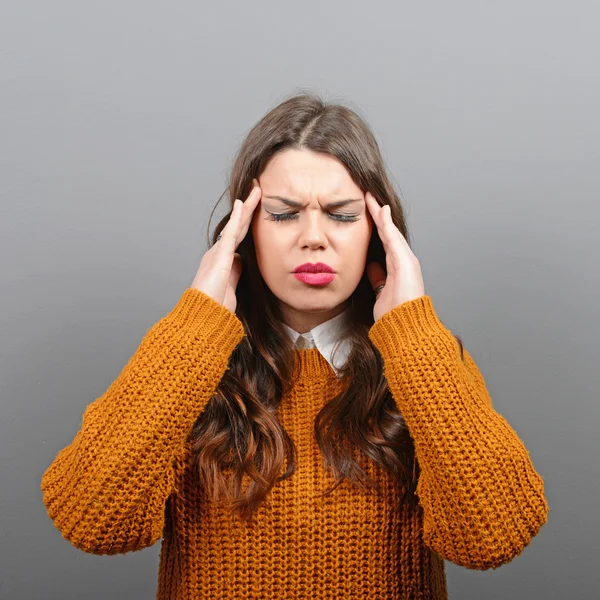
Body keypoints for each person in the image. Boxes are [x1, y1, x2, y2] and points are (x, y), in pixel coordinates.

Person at [40, 92, 549, 599]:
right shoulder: (187, 364)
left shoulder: (426, 364)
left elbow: (493, 538)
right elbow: (91, 520)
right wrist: (196, 321)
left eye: (342, 215)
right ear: (245, 232)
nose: (313, 237)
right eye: (284, 214)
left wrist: (413, 335)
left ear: (378, 231)